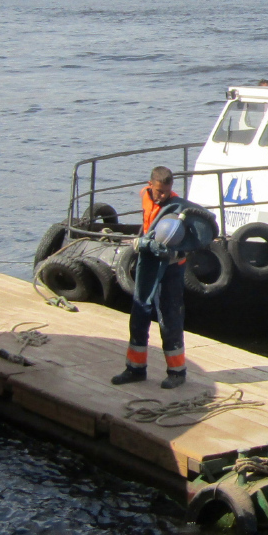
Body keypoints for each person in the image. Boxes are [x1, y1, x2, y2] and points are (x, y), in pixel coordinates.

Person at [112, 166, 188, 389]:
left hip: (172, 267)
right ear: (150, 185)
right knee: (139, 312)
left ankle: (177, 371)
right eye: (158, 191)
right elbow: (148, 224)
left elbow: (191, 239)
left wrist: (164, 248)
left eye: (166, 191)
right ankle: (135, 369)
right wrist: (141, 240)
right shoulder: (145, 197)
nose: (162, 195)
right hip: (149, 263)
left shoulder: (179, 207)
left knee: (169, 317)